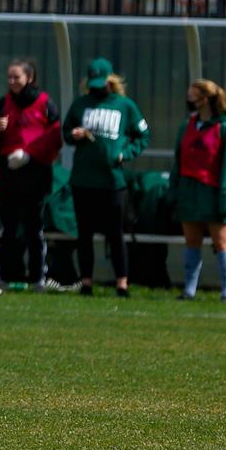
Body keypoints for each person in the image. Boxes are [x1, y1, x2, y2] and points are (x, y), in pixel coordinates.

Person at [63, 59, 148, 298]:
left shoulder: (125, 105)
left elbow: (143, 135)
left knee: (115, 235)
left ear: (110, 81)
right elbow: (66, 132)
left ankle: (122, 283)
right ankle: (86, 282)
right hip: (83, 180)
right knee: (84, 234)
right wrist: (74, 134)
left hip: (112, 182)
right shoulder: (81, 104)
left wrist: (124, 153)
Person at [0, 58, 62, 292]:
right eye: (9, 77)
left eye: (17, 77)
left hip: (35, 173)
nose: (12, 82)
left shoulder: (45, 104)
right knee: (9, 226)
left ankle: (37, 277)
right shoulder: (3, 105)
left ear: (29, 78)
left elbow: (54, 139)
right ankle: (7, 275)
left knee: (33, 226)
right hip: (9, 173)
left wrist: (30, 155)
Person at [173, 78, 226, 302]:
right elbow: (178, 160)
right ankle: (189, 290)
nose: (189, 100)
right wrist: (174, 190)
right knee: (192, 241)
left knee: (221, 241)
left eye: (193, 96)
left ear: (204, 100)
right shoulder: (188, 126)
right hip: (189, 191)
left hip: (212, 192)